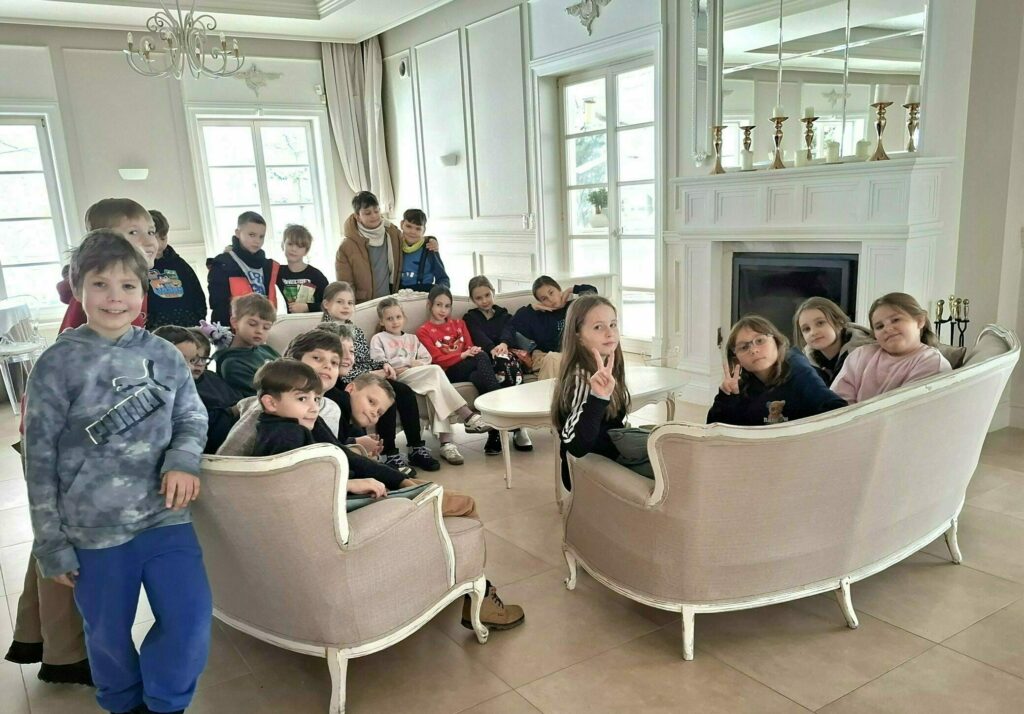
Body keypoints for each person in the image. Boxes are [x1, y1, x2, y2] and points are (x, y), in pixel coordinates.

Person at [23, 229, 211, 714]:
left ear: (143, 290)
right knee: (106, 634)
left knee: (190, 620)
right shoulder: (56, 363)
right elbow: (38, 459)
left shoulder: (164, 354)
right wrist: (50, 543)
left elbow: (191, 415)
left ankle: (165, 704)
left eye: (128, 285)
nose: (115, 297)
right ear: (77, 288)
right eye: (100, 284)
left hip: (166, 517)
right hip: (93, 532)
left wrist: (183, 459)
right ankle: (123, 705)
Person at [250, 360, 523, 630]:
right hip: (350, 508)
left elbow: (341, 458)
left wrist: (398, 479)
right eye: (302, 399)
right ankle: (479, 597)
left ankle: (457, 581)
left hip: (351, 500)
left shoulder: (286, 425)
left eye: (315, 398)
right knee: (464, 504)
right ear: (270, 403)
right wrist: (350, 484)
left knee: (433, 493)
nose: (312, 406)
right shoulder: (286, 434)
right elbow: (295, 487)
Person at [319, 281, 440, 473]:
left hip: (364, 376)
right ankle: (389, 454)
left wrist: (383, 365)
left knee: (402, 391)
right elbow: (337, 366)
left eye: (350, 303)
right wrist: (369, 374)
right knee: (382, 394)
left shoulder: (356, 330)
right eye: (340, 302)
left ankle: (416, 447)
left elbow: (365, 359)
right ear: (326, 304)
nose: (346, 307)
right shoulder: (323, 332)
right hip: (343, 381)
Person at [370, 297, 488, 464]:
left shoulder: (412, 338)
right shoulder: (379, 338)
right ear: (382, 322)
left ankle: (447, 444)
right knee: (435, 371)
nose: (395, 322)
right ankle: (466, 414)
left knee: (435, 387)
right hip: (398, 377)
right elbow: (379, 362)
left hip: (417, 374)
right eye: (389, 318)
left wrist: (413, 364)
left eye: (398, 317)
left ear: (404, 318)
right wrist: (405, 365)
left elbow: (426, 359)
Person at [708, 314, 848, 426]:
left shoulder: (798, 369)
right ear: (737, 359)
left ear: (776, 341)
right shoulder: (739, 383)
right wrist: (727, 397)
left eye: (760, 340)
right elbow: (713, 430)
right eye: (744, 347)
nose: (754, 350)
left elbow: (836, 409)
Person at [551, 296, 629, 490]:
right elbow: (575, 445)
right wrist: (598, 398)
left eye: (613, 324)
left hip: (611, 455)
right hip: (590, 470)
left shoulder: (608, 366)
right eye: (598, 327)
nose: (610, 333)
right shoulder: (582, 377)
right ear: (578, 335)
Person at [416, 286, 503, 458]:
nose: (443, 310)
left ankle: (494, 431)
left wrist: (471, 351)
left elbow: (469, 346)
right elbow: (436, 359)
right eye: (439, 305)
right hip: (447, 372)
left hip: (467, 367)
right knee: (481, 357)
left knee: (478, 376)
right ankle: (500, 405)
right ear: (429, 305)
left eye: (447, 306)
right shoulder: (423, 331)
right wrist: (463, 355)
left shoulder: (459, 324)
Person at [57, 198, 158, 333]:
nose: (149, 241)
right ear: (103, 240)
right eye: (133, 232)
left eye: (151, 232)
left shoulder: (137, 281)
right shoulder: (90, 294)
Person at [830, 292, 952, 403]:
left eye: (895, 320)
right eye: (879, 326)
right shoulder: (860, 355)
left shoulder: (932, 362)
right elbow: (838, 401)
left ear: (920, 321)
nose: (887, 329)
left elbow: (904, 409)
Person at [463, 275, 531, 453]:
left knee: (506, 364)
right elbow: (477, 335)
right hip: (485, 358)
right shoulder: (470, 317)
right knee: (479, 377)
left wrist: (504, 344)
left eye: (487, 295)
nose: (484, 300)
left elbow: (509, 330)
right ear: (472, 299)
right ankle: (495, 430)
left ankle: (518, 427)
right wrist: (491, 348)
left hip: (506, 354)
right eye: (479, 298)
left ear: (493, 292)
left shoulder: (504, 314)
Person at [154, 325, 241, 454]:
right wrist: (231, 412)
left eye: (193, 360)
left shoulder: (209, 379)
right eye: (182, 359)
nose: (193, 366)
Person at [510, 275, 597, 380]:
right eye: (544, 298)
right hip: (546, 356)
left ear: (559, 289)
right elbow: (514, 323)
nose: (550, 299)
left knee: (558, 360)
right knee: (552, 359)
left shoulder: (574, 307)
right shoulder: (538, 316)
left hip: (572, 354)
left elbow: (593, 294)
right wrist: (533, 307)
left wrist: (570, 290)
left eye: (551, 293)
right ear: (540, 302)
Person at [207, 211, 279, 326]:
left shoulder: (269, 266)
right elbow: (218, 305)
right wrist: (224, 333)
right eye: (252, 235)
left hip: (264, 328)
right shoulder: (222, 264)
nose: (257, 241)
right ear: (238, 233)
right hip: (233, 330)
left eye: (261, 236)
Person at [145, 209, 208, 330]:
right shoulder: (137, 267)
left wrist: (197, 321)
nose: (159, 244)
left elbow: (197, 295)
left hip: (187, 329)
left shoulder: (180, 265)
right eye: (155, 237)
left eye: (163, 238)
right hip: (153, 331)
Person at [211, 294, 281, 398]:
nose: (259, 331)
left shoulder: (267, 350)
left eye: (266, 327)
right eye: (252, 324)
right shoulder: (232, 364)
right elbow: (264, 396)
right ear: (235, 322)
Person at [792, 296, 873, 385]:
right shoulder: (804, 364)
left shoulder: (868, 355)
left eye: (820, 323)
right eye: (806, 329)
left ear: (839, 322)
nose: (813, 332)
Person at [276, 224, 329, 314]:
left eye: (300, 246)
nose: (294, 249)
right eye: (290, 244)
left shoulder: (316, 275)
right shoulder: (277, 272)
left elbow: (330, 303)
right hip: (286, 321)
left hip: (312, 321)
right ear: (282, 245)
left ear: (306, 251)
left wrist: (308, 307)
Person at [396, 208, 449, 292]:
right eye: (408, 226)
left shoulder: (429, 248)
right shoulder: (395, 246)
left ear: (424, 230)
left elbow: (443, 278)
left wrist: (440, 293)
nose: (412, 232)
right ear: (402, 224)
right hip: (400, 294)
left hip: (424, 293)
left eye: (418, 229)